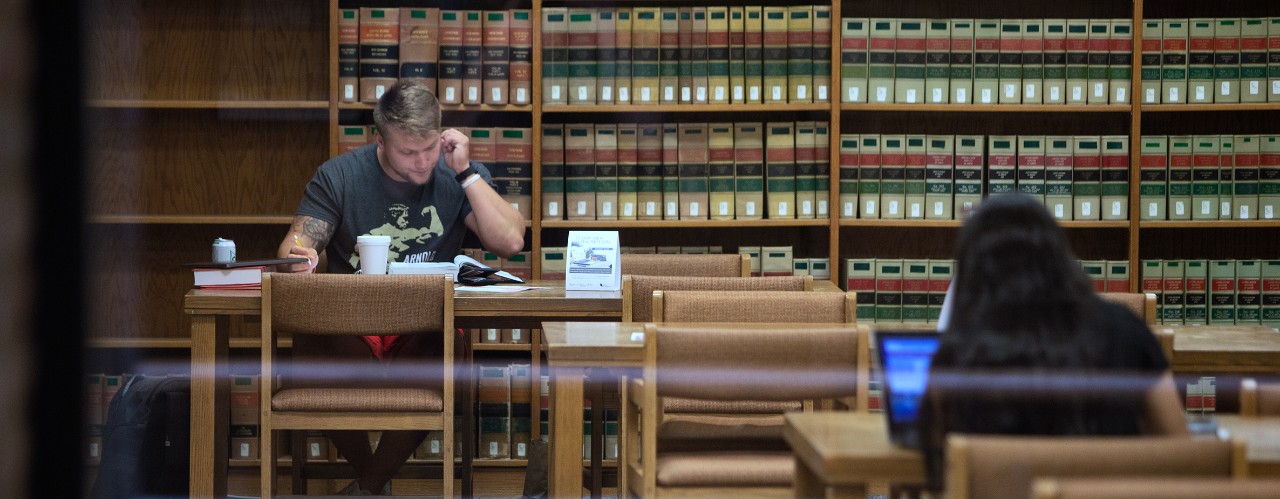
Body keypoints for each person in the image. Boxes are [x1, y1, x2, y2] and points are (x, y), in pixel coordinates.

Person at [275, 79, 524, 495]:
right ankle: (374, 483)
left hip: (424, 328)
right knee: (307, 334)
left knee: (451, 344)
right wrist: (301, 258)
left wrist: (463, 171)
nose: (423, 162)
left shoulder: (454, 175)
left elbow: (511, 243)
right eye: (408, 152)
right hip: (351, 327)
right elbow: (295, 246)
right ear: (380, 139)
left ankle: (368, 488)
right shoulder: (340, 175)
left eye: (429, 148)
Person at [917, 193, 1186, 493]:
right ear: (1059, 256)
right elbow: (1178, 451)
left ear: (972, 270)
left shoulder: (959, 351)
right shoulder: (1126, 330)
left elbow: (938, 464)